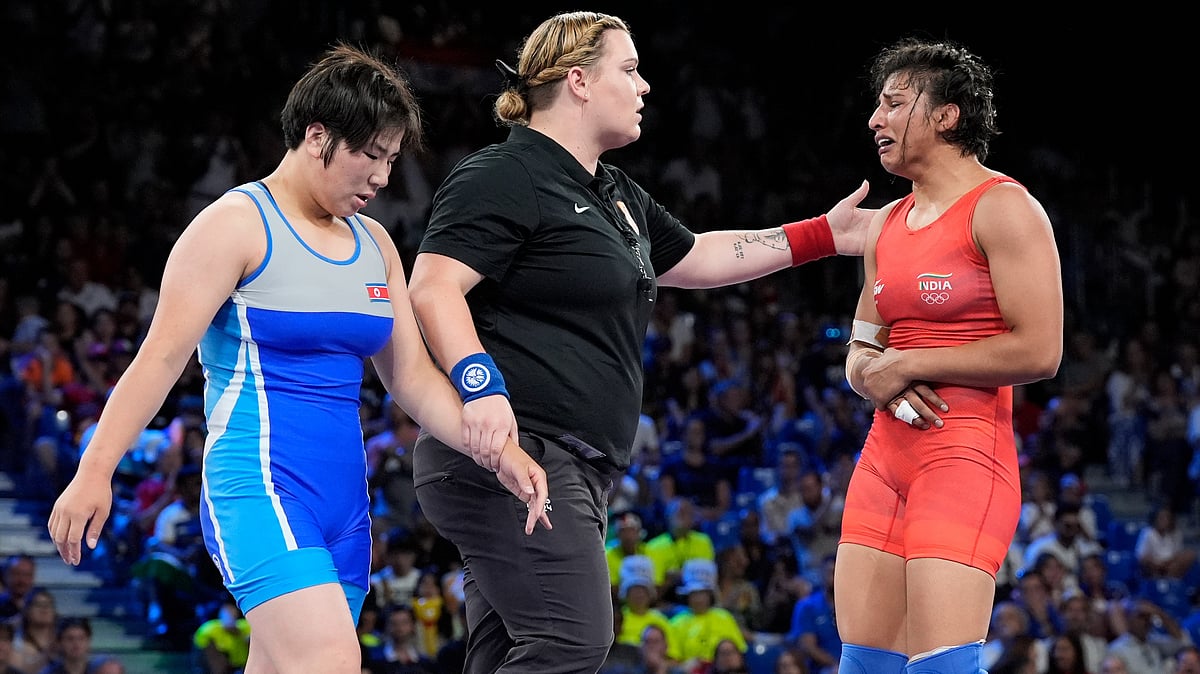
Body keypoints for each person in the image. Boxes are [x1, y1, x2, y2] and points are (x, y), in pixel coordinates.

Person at [45, 43, 550, 674]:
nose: (382, 178)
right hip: (259, 487)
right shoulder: (235, 225)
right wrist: (96, 470)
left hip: (344, 507)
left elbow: (414, 378)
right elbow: (159, 360)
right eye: (370, 155)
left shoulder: (376, 243)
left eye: (391, 161)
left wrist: (498, 450)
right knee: (333, 664)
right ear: (317, 137)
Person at [406, 11, 873, 673]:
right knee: (573, 642)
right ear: (578, 82)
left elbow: (702, 258)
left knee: (511, 653)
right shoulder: (504, 173)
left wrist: (825, 235)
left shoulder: (614, 192)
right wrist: (479, 387)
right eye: (628, 70)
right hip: (514, 455)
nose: (645, 86)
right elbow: (431, 287)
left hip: (574, 466)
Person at [835, 37, 1063, 674]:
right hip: (883, 457)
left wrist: (910, 365)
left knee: (940, 667)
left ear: (946, 116)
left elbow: (1040, 350)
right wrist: (868, 373)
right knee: (865, 665)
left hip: (964, 455)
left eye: (893, 104)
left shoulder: (1004, 208)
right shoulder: (886, 224)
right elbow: (862, 347)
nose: (875, 120)